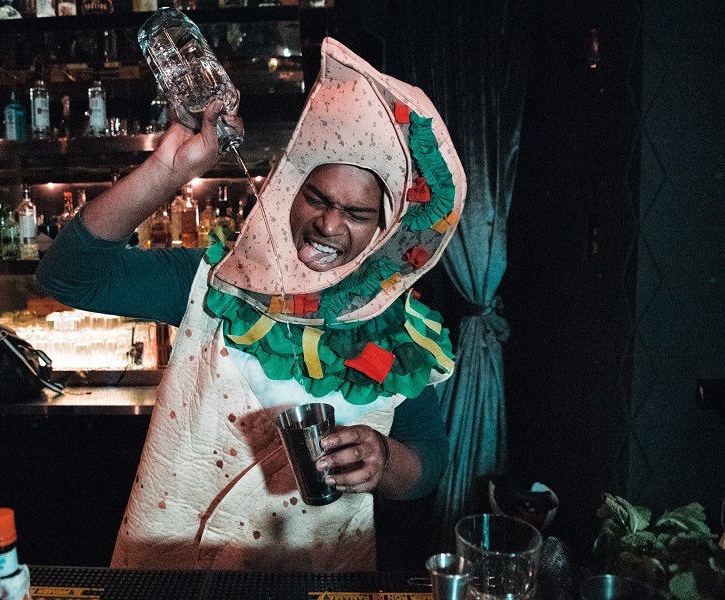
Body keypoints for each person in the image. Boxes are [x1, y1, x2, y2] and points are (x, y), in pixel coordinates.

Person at [36, 37, 466, 571]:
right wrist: (167, 170)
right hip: (174, 579)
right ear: (289, 192)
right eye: (318, 198)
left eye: (356, 213)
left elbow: (427, 463)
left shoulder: (403, 333)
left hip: (318, 578)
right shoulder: (212, 282)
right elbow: (67, 276)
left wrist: (385, 461)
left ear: (384, 229)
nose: (329, 226)